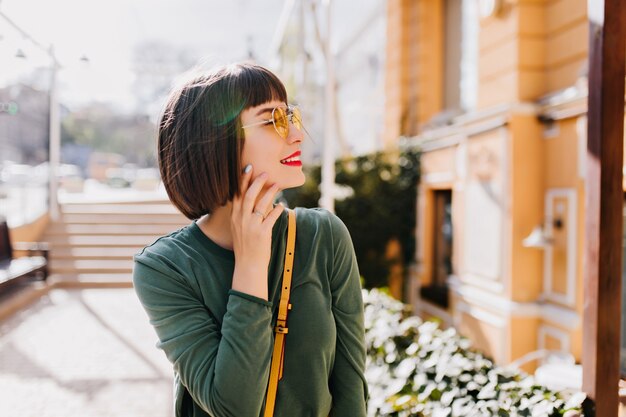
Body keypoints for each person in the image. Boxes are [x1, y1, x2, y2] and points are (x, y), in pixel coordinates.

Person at [132, 62, 368, 417]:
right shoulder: (165, 268)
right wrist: (251, 264)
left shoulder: (324, 236)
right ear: (214, 141)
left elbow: (351, 389)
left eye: (291, 117)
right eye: (272, 120)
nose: (297, 135)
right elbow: (233, 407)